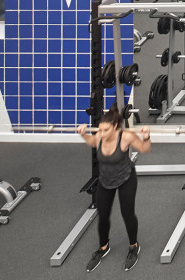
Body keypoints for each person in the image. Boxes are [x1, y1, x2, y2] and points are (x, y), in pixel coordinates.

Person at [77, 105, 151, 272]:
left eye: (106, 130)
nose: (102, 133)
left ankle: (133, 246)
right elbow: (92, 142)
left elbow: (145, 149)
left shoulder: (125, 137)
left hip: (126, 178)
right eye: (100, 130)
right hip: (105, 180)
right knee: (102, 216)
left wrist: (146, 137)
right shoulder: (100, 136)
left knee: (127, 214)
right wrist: (84, 135)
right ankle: (103, 247)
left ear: (116, 127)